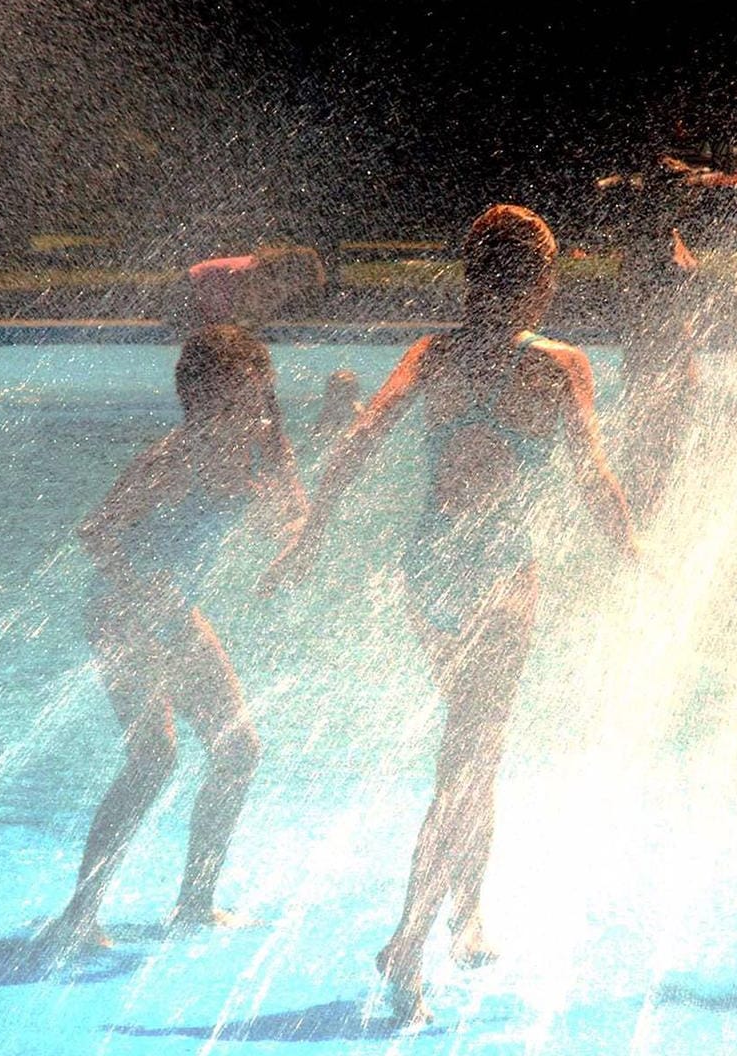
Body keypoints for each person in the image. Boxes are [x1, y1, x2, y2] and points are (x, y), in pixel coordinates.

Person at [260, 205, 637, 1023]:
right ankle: (408, 941)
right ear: (542, 282)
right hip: (500, 572)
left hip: (429, 565)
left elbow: (360, 440)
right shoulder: (561, 366)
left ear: (471, 278)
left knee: (476, 748)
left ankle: (467, 917)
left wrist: (309, 535)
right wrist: (636, 559)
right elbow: (594, 477)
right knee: (467, 758)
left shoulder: (432, 355)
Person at [39, 250, 312, 955]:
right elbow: (96, 534)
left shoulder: (251, 450)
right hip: (124, 615)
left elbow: (294, 501)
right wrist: (149, 597)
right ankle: (79, 914)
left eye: (263, 396)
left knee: (239, 749)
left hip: (173, 612)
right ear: (208, 401)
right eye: (250, 396)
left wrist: (290, 537)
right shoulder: (173, 459)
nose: (260, 409)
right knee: (155, 757)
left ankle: (196, 900)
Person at [618, 227, 701, 521]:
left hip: (667, 357)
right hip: (654, 359)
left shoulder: (665, 240)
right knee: (650, 438)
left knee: (661, 439)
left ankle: (645, 508)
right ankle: (640, 509)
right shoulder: (648, 247)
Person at [311, 368, 364, 444]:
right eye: (346, 385)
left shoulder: (358, 409)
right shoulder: (329, 410)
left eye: (351, 386)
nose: (349, 389)